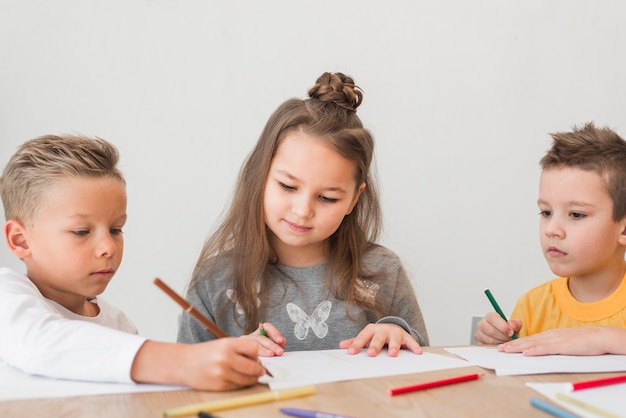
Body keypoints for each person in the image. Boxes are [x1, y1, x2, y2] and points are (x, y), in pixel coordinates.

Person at [177, 72, 429, 358]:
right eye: (287, 186)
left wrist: (398, 338)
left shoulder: (383, 271)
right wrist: (227, 355)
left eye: (327, 198)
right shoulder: (216, 280)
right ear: (260, 175)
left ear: (354, 199)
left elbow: (425, 360)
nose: (303, 210)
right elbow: (186, 376)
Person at [0, 134, 265, 390]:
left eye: (116, 229)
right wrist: (185, 362)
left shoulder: (119, 325)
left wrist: (228, 354)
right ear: (20, 240)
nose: (108, 247)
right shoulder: (7, 297)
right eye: (81, 232)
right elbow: (41, 343)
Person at [474, 122, 626, 355]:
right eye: (546, 212)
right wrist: (493, 346)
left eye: (576, 214)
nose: (552, 229)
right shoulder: (532, 306)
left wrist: (602, 337)